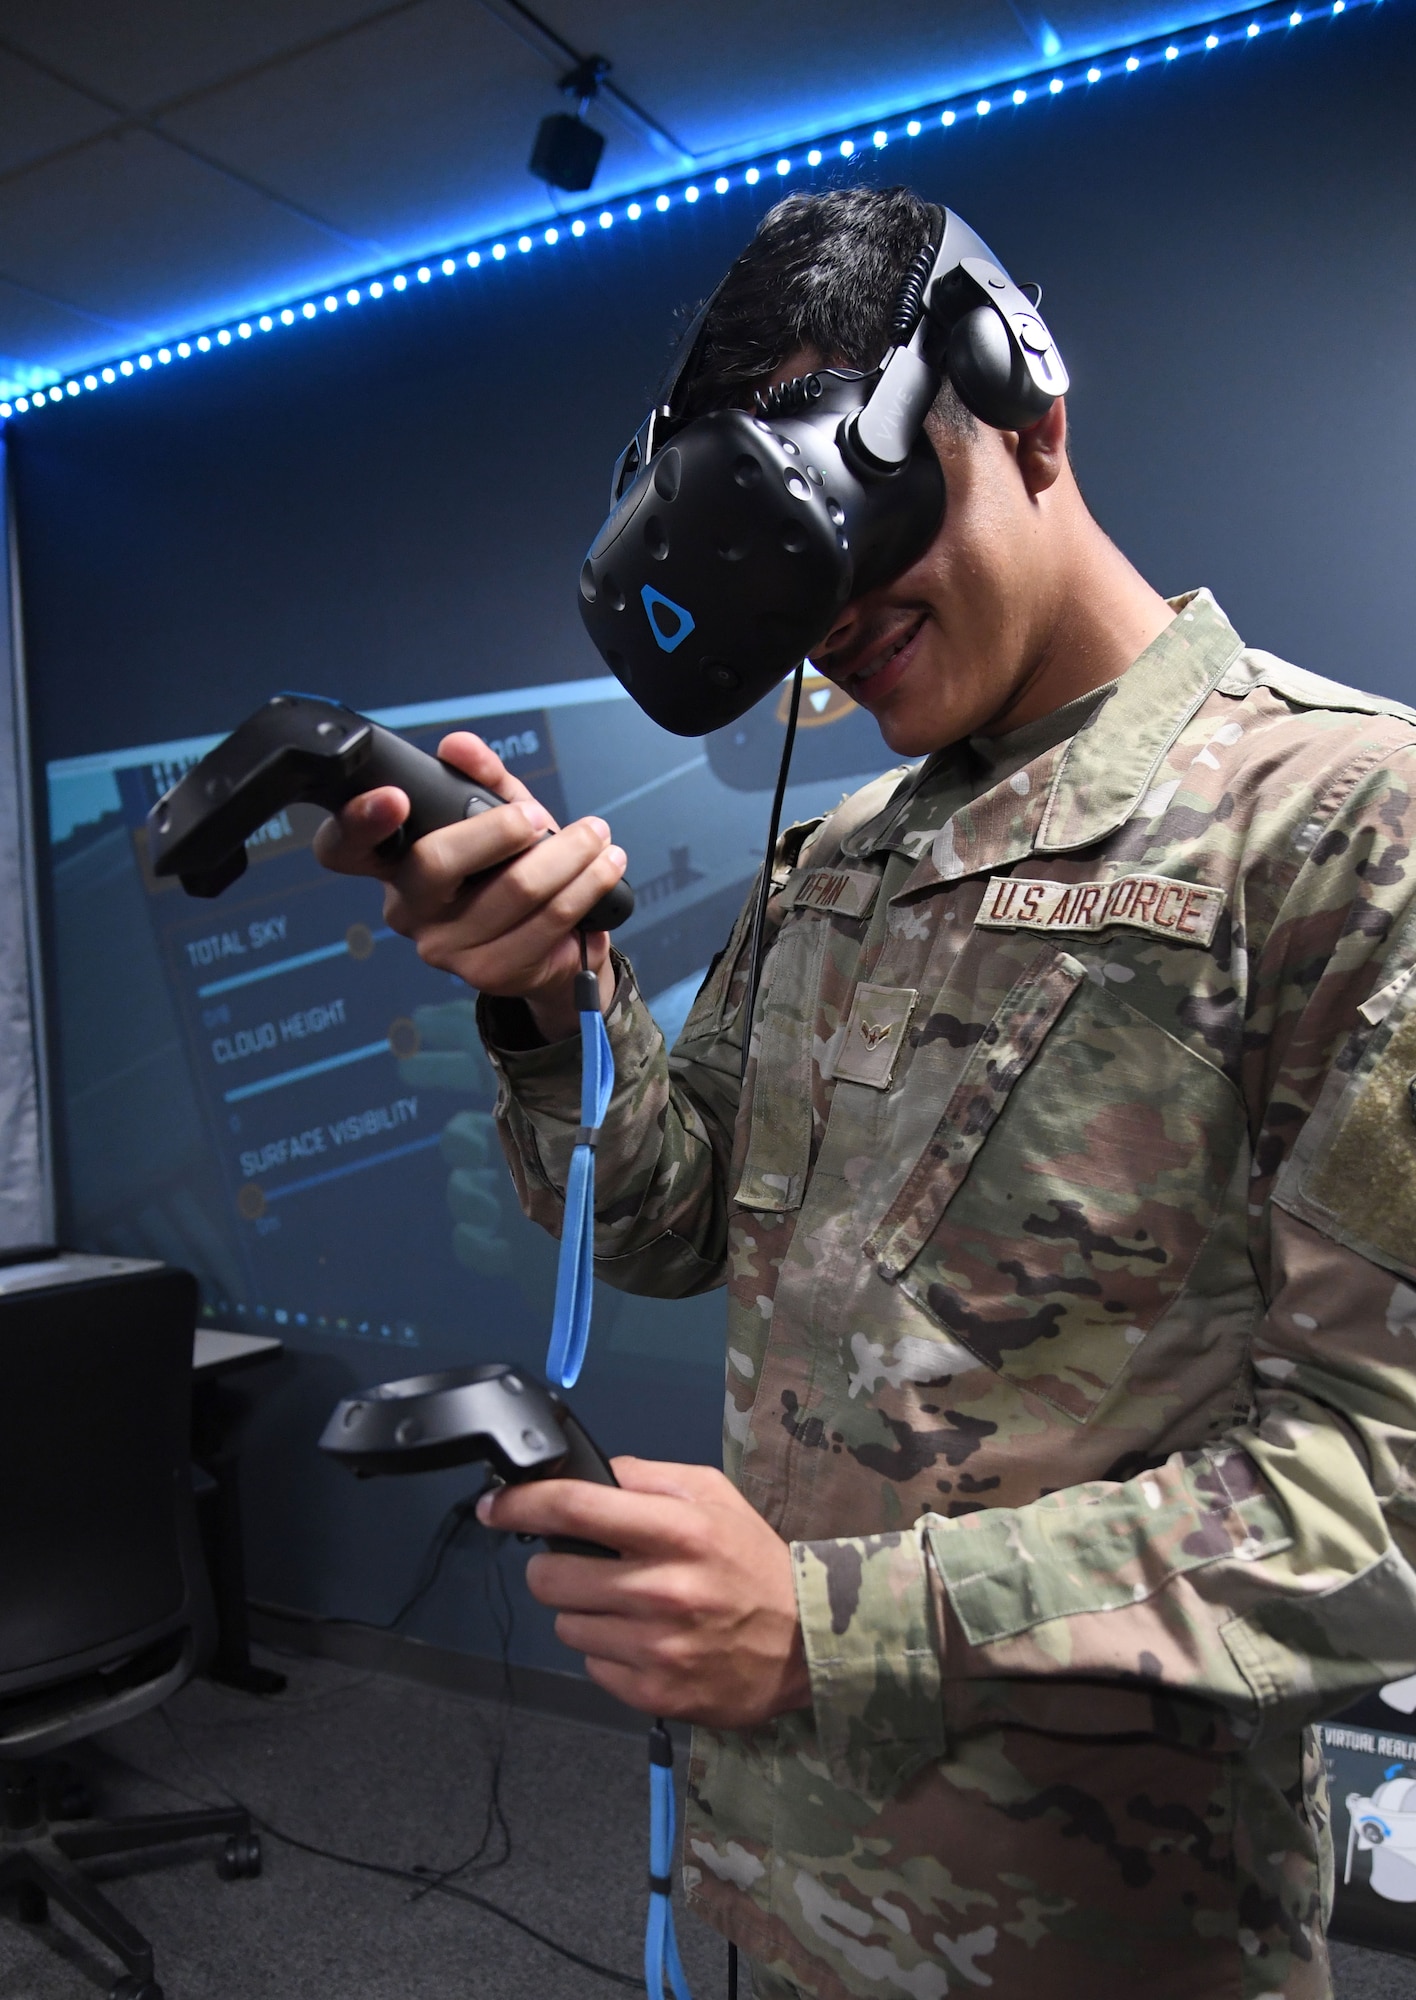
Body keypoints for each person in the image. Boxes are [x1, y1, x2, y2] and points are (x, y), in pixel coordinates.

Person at [316, 187, 1416, 1999]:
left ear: (1031, 415)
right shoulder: (837, 859)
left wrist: (826, 1628)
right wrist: (544, 994)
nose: (827, 616)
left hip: (1101, 1939)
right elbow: (666, 1214)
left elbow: (1379, 1494)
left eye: (860, 531)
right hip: (779, 1878)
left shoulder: (1335, 837)